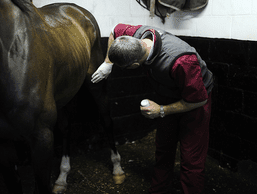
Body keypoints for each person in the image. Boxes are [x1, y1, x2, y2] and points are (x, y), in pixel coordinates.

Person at [91, 23, 213, 194]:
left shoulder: (182, 61)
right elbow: (114, 30)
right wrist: (107, 63)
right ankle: (159, 190)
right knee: (163, 148)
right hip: (167, 94)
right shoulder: (138, 34)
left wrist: (161, 110)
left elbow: (199, 100)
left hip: (195, 101)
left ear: (134, 65)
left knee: (191, 158)